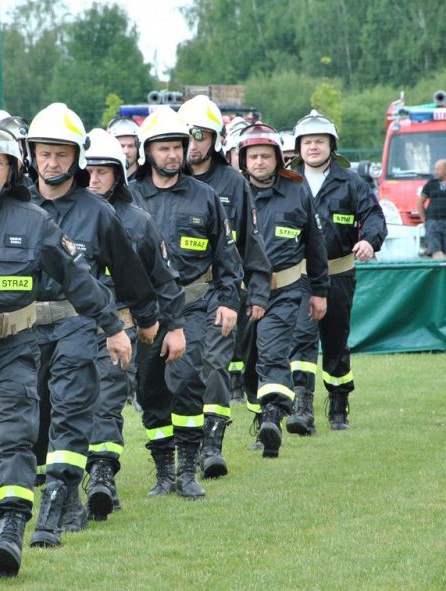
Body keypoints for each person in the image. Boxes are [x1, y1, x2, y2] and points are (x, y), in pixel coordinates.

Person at [0, 125, 134, 576]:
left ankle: (11, 530)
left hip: (15, 347)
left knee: (12, 435)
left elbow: (77, 280)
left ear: (14, 169)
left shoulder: (34, 221)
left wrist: (112, 325)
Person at [26, 103, 159, 548]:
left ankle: (60, 503)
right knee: (37, 417)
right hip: (24, 331)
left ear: (76, 158)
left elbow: (129, 272)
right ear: (32, 155)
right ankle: (59, 496)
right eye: (45, 152)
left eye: (61, 153)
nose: (52, 162)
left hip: (79, 325)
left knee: (70, 409)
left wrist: (148, 320)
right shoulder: (19, 208)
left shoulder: (98, 211)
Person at [129, 106, 243, 498]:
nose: (173, 154)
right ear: (148, 151)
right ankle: (163, 471)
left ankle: (188, 470)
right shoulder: (128, 195)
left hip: (194, 305)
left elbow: (228, 255)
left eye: (178, 146)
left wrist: (228, 300)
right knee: (151, 390)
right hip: (143, 313)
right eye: (163, 148)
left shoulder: (205, 196)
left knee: (187, 380)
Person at [84, 128, 186, 518]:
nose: (93, 179)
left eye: (102, 172)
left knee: (108, 403)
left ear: (118, 175)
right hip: (63, 331)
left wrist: (173, 325)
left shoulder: (137, 221)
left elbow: (162, 279)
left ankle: (102, 477)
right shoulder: (52, 216)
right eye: (88, 171)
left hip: (121, 329)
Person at [178, 95, 271, 477]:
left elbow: (250, 242)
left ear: (215, 139)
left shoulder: (233, 183)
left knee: (215, 364)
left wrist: (259, 291)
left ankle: (213, 444)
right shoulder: (164, 181)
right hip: (174, 300)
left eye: (202, 135)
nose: (194, 142)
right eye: (189, 135)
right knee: (181, 374)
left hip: (221, 292)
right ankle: (184, 448)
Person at [288, 111, 387, 433]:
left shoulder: (351, 183)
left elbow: (374, 216)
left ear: (332, 146)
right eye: (307, 142)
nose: (313, 147)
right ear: (298, 147)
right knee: (301, 338)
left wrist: (369, 241)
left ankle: (339, 403)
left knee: (335, 341)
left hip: (338, 274)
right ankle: (302, 407)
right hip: (298, 276)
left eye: (320, 141)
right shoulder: (287, 183)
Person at [236, 122, 329, 458]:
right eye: (253, 156)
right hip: (243, 294)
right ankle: (262, 422)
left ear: (279, 158)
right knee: (249, 366)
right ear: (243, 160)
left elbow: (315, 246)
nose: (260, 162)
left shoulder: (297, 191)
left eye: (266, 156)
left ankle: (273, 417)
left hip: (287, 289)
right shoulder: (232, 193)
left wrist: (319, 291)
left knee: (274, 352)